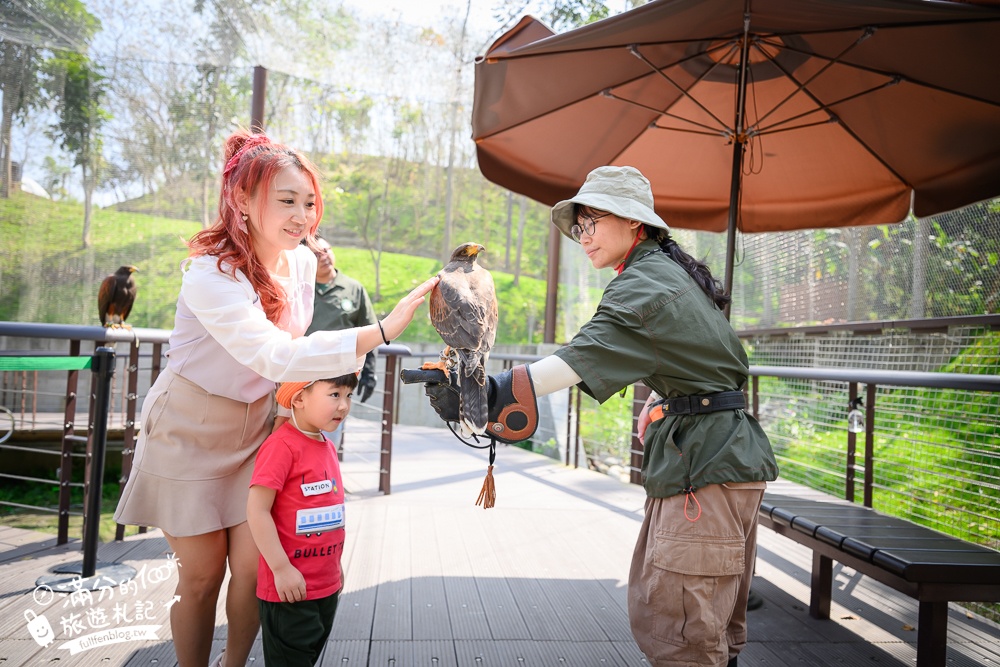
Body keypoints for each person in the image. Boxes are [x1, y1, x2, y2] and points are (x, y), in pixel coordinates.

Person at [418, 166, 778, 667]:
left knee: (686, 636)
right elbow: (707, 363)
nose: (582, 236)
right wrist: (663, 401)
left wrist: (493, 389)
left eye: (592, 222)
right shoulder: (659, 272)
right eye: (578, 226)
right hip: (715, 459)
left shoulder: (645, 284)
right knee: (711, 629)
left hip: (706, 467)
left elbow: (581, 354)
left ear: (634, 223)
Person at [113, 128, 438, 667]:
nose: (303, 216)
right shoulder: (209, 274)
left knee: (255, 566)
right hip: (189, 428)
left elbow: (297, 347)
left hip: (259, 428)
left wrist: (306, 415)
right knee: (200, 576)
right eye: (286, 201)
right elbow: (273, 355)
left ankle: (234, 663)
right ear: (242, 200)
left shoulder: (303, 263)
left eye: (309, 203)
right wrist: (380, 330)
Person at [247, 374, 356, 667]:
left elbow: (328, 515)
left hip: (325, 585)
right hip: (289, 591)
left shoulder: (328, 447)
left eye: (349, 396)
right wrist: (281, 568)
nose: (344, 406)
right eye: (334, 395)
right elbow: (257, 510)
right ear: (298, 398)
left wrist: (336, 566)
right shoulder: (281, 447)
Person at [303, 233, 378, 446]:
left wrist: (369, 374)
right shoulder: (300, 288)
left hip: (339, 377)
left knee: (328, 437)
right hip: (301, 374)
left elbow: (371, 332)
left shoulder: (353, 288)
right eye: (316, 254)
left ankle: (325, 474)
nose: (323, 256)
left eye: (326, 250)